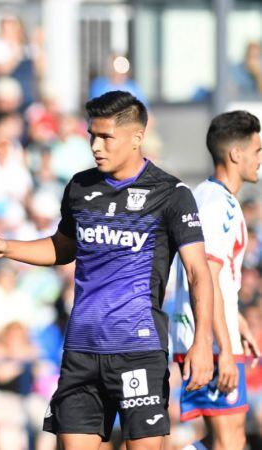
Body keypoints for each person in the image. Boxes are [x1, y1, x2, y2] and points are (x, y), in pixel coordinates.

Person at [0, 90, 214, 450]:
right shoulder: (80, 188)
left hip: (138, 348)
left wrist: (203, 341)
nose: (96, 146)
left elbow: (198, 272)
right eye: (92, 136)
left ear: (136, 138)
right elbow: (63, 247)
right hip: (81, 350)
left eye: (105, 137)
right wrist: (8, 247)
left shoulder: (171, 194)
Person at [171, 110, 262, 450]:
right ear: (236, 154)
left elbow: (220, 278)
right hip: (207, 338)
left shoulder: (212, 198)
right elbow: (206, 275)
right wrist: (222, 348)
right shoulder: (217, 205)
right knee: (230, 440)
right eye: (257, 151)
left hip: (209, 331)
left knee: (224, 438)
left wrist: (236, 321)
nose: (260, 159)